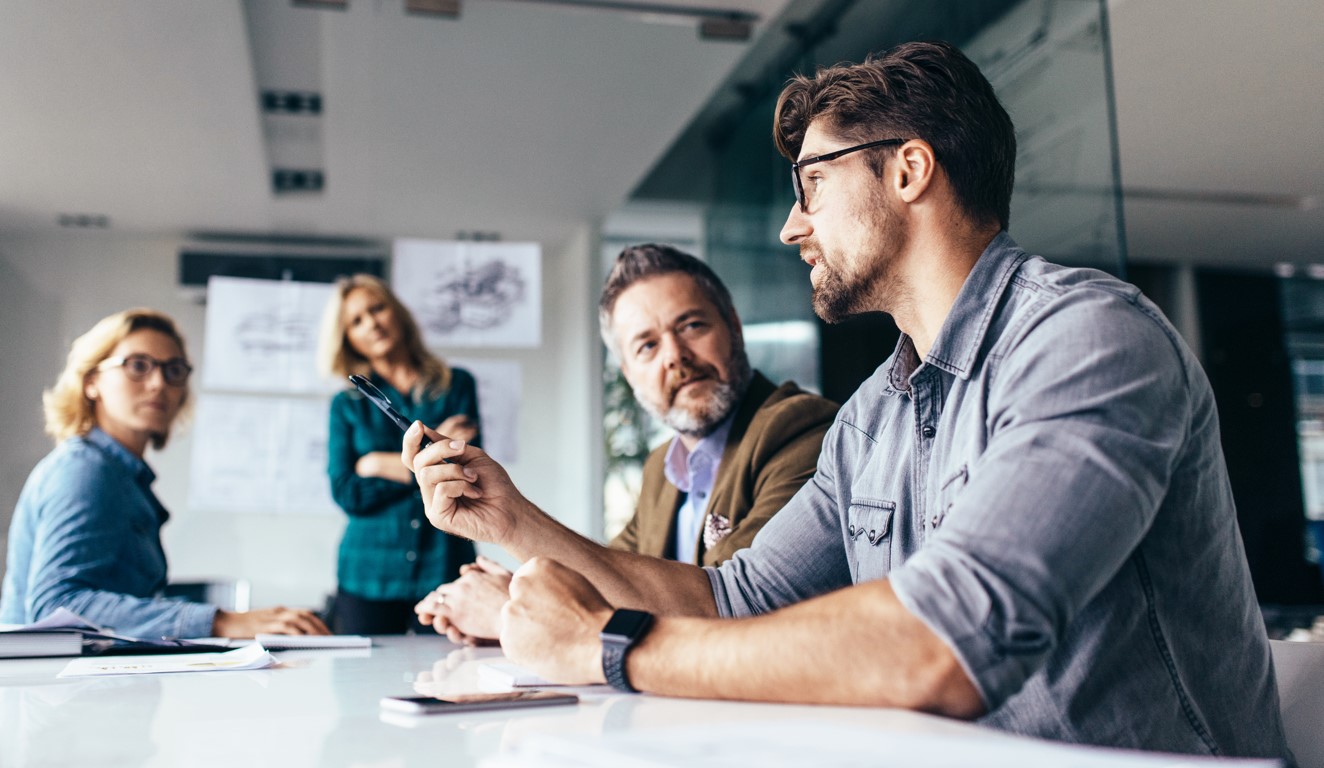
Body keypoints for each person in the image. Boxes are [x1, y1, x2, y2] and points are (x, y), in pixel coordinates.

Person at [403, 40, 1289, 759]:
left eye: (813, 183)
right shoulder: (873, 416)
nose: (793, 224)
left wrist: (607, 646)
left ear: (909, 171)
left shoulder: (1089, 339)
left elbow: (945, 641)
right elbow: (732, 599)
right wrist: (512, 522)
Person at [414, 245, 838, 642]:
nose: (675, 355)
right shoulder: (662, 468)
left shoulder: (801, 430)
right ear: (628, 373)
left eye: (691, 326)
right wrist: (522, 587)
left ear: (733, 326)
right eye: (647, 346)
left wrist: (512, 609)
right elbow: (610, 579)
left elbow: (728, 610)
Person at [0, 308, 329, 638]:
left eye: (173, 371)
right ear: (92, 381)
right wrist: (220, 621)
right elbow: (56, 606)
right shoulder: (85, 470)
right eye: (137, 366)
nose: (159, 384)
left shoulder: (122, 476)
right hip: (51, 686)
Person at [320, 274, 481, 634]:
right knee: (360, 686)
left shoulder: (457, 386)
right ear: (347, 338)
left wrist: (376, 464)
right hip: (368, 573)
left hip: (443, 565)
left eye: (377, 309)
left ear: (397, 313)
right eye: (356, 321)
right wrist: (427, 464)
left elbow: (465, 474)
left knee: (451, 677)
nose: (372, 323)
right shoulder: (346, 406)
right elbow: (347, 491)